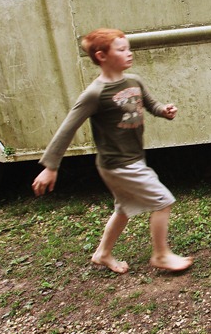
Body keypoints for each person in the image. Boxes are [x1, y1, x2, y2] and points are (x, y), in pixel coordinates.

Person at [32, 28, 193, 274]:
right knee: (163, 201)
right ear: (102, 56)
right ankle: (161, 255)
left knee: (123, 209)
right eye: (121, 49)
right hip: (118, 164)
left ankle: (102, 253)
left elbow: (150, 104)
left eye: (128, 48)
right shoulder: (95, 93)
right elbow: (68, 128)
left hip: (131, 159)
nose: (129, 53)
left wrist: (164, 111)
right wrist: (51, 166)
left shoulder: (134, 81)